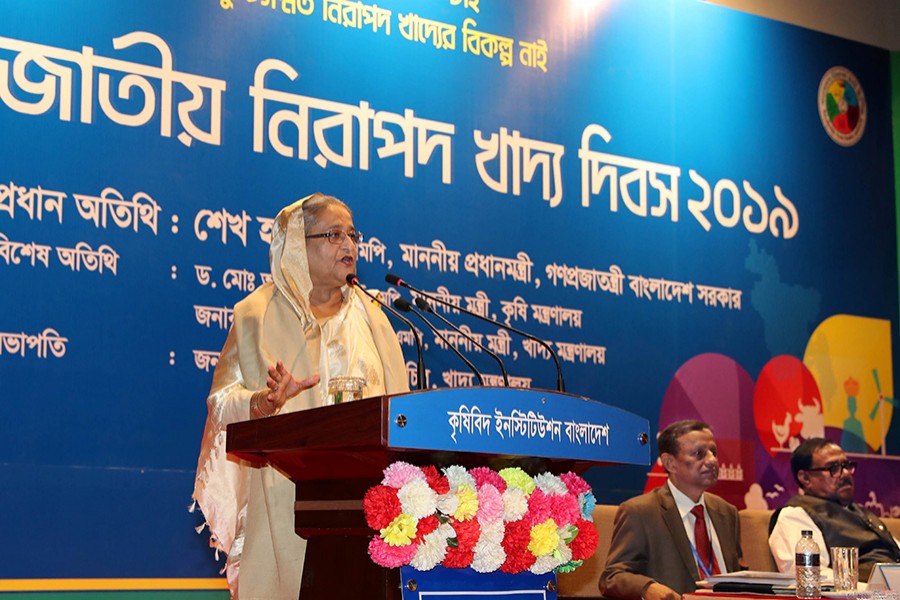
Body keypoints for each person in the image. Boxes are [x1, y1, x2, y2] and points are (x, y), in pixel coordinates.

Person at [192, 193, 410, 599]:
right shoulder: (254, 316)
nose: (349, 245)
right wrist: (263, 403)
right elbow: (220, 402)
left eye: (352, 235)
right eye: (333, 234)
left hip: (369, 508)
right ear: (296, 244)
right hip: (282, 498)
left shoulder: (375, 318)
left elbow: (402, 414)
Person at [600, 420, 743, 600]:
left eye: (713, 452)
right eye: (699, 454)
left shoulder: (727, 512)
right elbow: (612, 578)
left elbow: (737, 573)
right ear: (669, 463)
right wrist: (648, 588)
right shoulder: (641, 512)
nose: (712, 460)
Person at [768, 438, 900, 580]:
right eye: (833, 468)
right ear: (806, 478)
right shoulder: (795, 515)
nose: (846, 474)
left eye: (846, 466)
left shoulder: (860, 513)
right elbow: (810, 576)